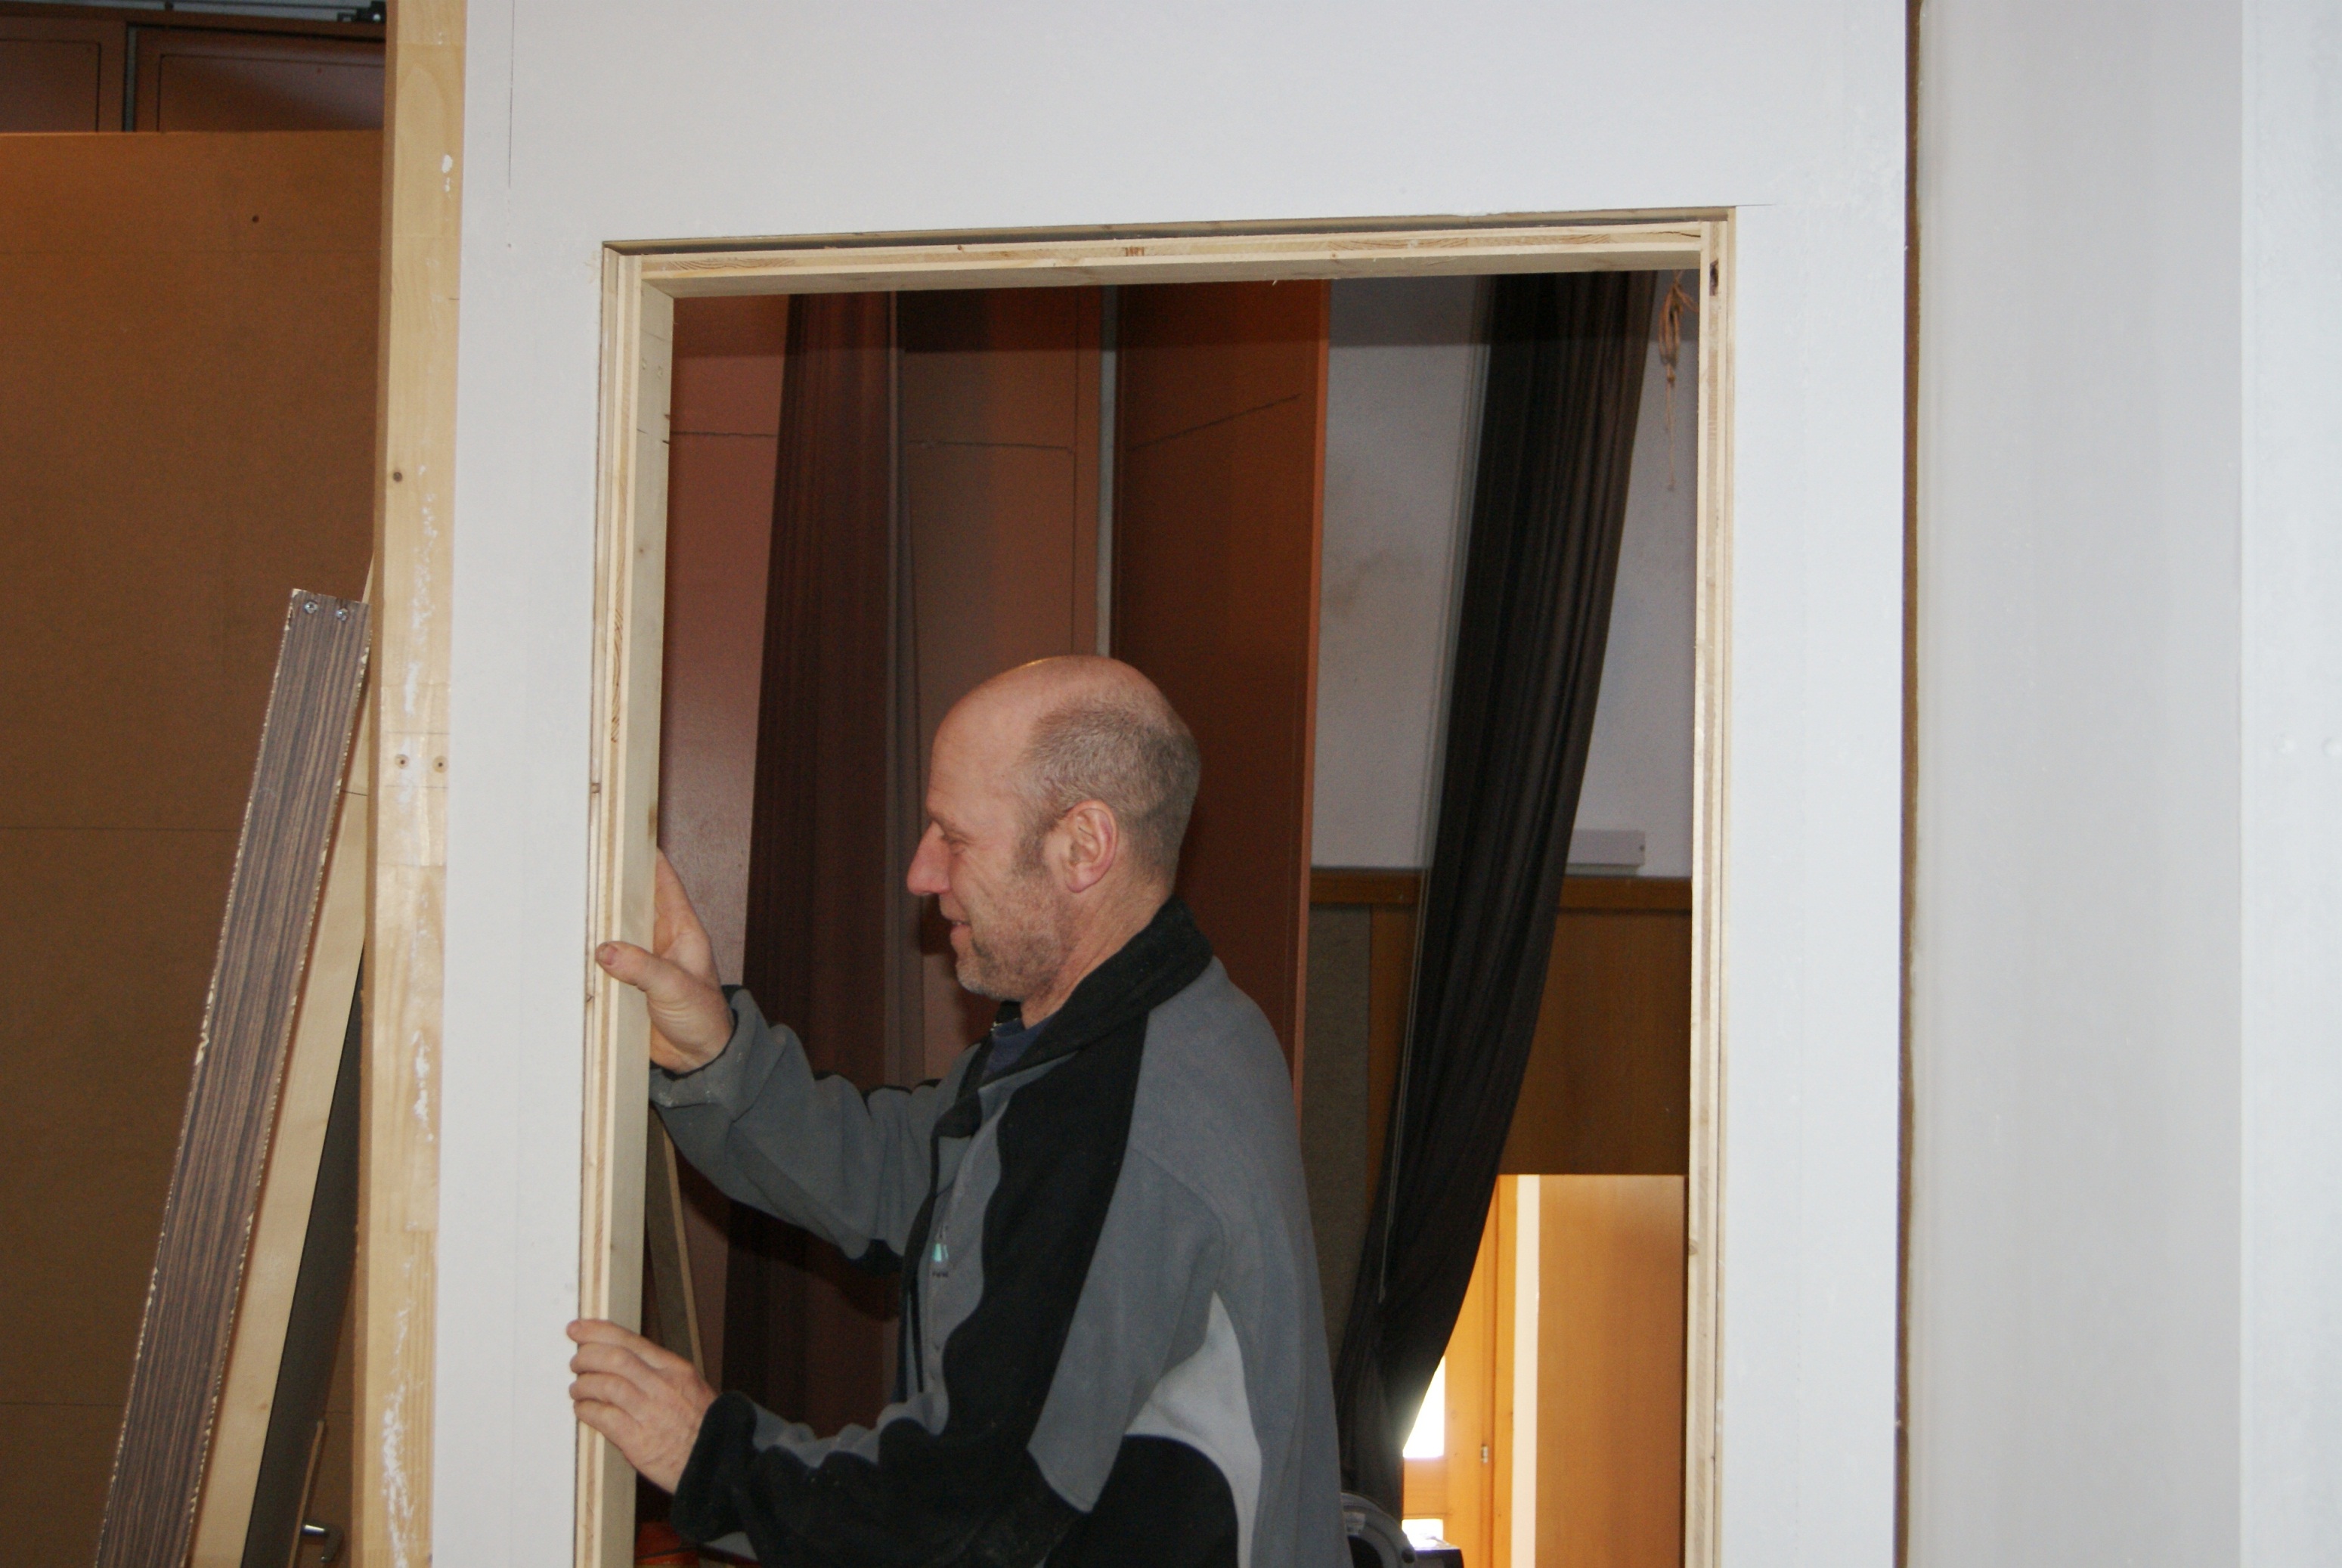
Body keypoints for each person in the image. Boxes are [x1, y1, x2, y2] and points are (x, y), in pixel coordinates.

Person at [569, 655, 1345, 1567]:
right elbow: (913, 1174)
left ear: (1084, 847)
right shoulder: (1127, 1024)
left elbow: (967, 1518)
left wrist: (711, 1456)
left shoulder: (1120, 1123)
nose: (920, 870)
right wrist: (715, 1058)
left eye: (955, 836)